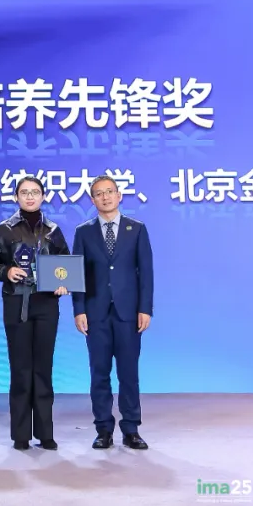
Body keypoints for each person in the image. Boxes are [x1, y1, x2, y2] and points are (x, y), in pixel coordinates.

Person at [0, 175, 71, 451]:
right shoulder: (5, 229)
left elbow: (66, 266)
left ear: (43, 196)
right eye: (24, 192)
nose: (30, 196)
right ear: (16, 197)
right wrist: (7, 271)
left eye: (35, 192)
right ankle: (20, 434)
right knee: (21, 369)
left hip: (46, 304)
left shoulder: (53, 230)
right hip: (16, 303)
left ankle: (45, 433)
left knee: (43, 369)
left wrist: (63, 283)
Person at [72, 175, 153, 451]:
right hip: (95, 314)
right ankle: (103, 429)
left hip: (128, 313)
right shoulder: (83, 232)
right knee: (99, 374)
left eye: (109, 192)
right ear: (92, 200)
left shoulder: (136, 229)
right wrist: (79, 309)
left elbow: (146, 273)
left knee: (129, 374)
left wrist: (145, 308)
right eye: (99, 193)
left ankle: (131, 429)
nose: (105, 197)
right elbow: (77, 274)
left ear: (119, 196)